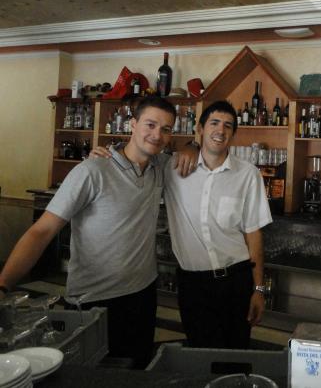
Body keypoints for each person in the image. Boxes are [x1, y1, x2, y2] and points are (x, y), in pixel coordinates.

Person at [0, 96, 195, 369]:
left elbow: (197, 149)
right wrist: (4, 284)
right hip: (94, 299)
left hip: (142, 295)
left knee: (135, 370)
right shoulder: (92, 170)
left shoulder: (159, 167)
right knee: (88, 374)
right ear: (132, 124)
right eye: (150, 125)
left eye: (166, 129)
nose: (157, 135)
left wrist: (193, 146)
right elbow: (42, 231)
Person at [163, 100, 272, 348]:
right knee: (199, 353)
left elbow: (254, 235)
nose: (220, 130)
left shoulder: (248, 174)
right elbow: (139, 156)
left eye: (228, 126)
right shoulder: (172, 168)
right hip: (193, 283)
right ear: (200, 129)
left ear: (233, 134)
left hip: (236, 281)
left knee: (236, 353)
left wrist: (258, 289)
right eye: (214, 123)